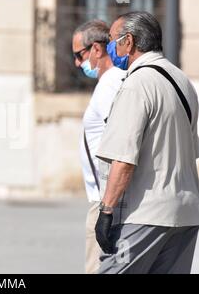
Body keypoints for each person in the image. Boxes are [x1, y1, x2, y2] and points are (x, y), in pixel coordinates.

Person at [95, 11, 199, 274]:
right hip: (185, 214)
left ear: (128, 42)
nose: (110, 48)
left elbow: (123, 158)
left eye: (112, 40)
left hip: (145, 214)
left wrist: (106, 212)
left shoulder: (137, 85)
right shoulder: (182, 81)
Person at [72, 20, 126, 274]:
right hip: (104, 199)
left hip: (105, 203)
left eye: (78, 55)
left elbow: (123, 141)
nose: (76, 63)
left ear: (96, 49)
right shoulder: (108, 82)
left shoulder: (112, 82)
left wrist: (108, 205)